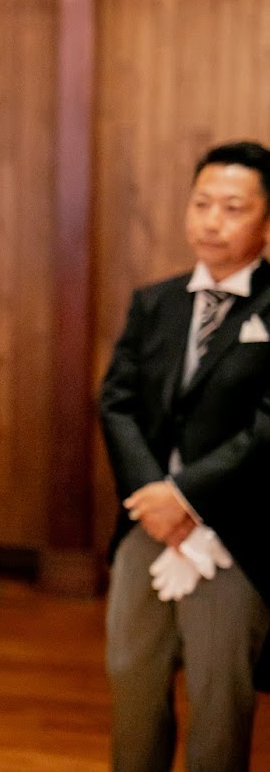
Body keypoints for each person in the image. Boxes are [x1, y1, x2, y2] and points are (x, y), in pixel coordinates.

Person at [100, 140, 270, 771]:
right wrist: (156, 499)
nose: (211, 221)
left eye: (233, 207)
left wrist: (188, 497)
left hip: (234, 532)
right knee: (131, 678)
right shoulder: (157, 302)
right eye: (201, 204)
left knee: (219, 697)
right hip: (147, 524)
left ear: (267, 221)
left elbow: (266, 428)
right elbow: (116, 402)